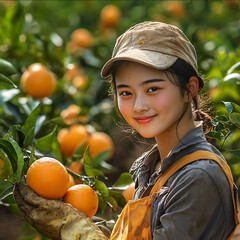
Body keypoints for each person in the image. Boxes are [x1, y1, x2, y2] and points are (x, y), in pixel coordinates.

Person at [14, 21, 239, 240]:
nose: (138, 106)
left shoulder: (197, 178)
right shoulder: (154, 167)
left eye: (152, 89)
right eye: (126, 93)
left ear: (189, 89)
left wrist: (76, 231)